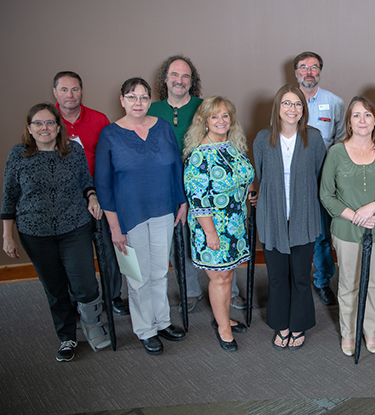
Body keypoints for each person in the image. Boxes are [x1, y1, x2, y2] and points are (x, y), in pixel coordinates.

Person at [2, 103, 111, 362]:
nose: (44, 128)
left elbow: (86, 181)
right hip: (34, 232)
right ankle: (67, 336)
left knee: (84, 283)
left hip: (74, 227)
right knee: (55, 287)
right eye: (38, 123)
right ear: (29, 128)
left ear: (58, 126)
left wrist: (92, 198)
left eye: (49, 122)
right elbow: (9, 196)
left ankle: (93, 324)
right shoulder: (18, 155)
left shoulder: (73, 150)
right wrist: (7, 236)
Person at [148, 55, 247, 313]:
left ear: (192, 81)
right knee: (179, 241)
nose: (180, 81)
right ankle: (190, 291)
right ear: (165, 79)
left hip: (210, 189)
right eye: (175, 75)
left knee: (221, 237)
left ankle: (229, 291)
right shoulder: (152, 110)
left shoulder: (206, 107)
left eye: (185, 76)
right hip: (169, 186)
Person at [95, 78, 187, 355]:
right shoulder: (109, 135)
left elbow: (176, 169)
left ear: (150, 101)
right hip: (128, 216)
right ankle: (145, 329)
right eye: (132, 97)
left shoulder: (163, 128)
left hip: (163, 210)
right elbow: (103, 184)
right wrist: (114, 226)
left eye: (144, 97)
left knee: (159, 272)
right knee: (137, 277)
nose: (138, 103)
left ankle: (162, 322)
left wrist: (181, 202)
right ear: (122, 100)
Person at [321, 96, 375, 356]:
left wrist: (372, 207)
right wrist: (355, 215)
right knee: (348, 283)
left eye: (368, 115)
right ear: (349, 122)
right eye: (356, 115)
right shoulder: (336, 152)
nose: (362, 120)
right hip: (346, 231)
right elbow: (326, 195)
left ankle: (371, 329)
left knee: (373, 285)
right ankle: (348, 332)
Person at [254, 85, 326, 351]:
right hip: (272, 219)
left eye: (297, 104)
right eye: (287, 103)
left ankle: (298, 325)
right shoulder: (263, 139)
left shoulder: (314, 138)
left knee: (300, 276)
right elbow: (261, 176)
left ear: (303, 109)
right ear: (278, 107)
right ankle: (280, 325)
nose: (292, 109)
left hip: (303, 219)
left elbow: (318, 175)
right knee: (276, 277)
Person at [183, 96, 256, 352]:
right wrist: (211, 233)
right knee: (219, 279)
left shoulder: (230, 146)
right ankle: (223, 328)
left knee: (228, 274)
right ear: (204, 122)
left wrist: (250, 190)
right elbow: (198, 200)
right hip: (212, 228)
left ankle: (223, 318)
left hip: (235, 225)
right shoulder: (199, 156)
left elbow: (243, 176)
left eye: (225, 115)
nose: (221, 120)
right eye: (215, 116)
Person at [53, 71, 128, 315]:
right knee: (75, 256)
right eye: (64, 90)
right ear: (55, 93)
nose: (70, 95)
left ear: (82, 91)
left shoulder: (98, 119)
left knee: (109, 249)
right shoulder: (48, 122)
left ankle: (113, 296)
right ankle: (81, 300)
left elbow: (113, 158)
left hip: (101, 195)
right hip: (66, 201)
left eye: (74, 89)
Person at [294, 51, 345, 306]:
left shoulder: (335, 103)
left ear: (320, 72)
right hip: (293, 181)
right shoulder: (285, 101)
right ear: (296, 73)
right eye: (303, 67)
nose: (309, 72)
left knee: (322, 236)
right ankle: (297, 281)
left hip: (323, 180)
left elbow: (340, 143)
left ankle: (322, 282)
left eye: (314, 67)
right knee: (296, 233)